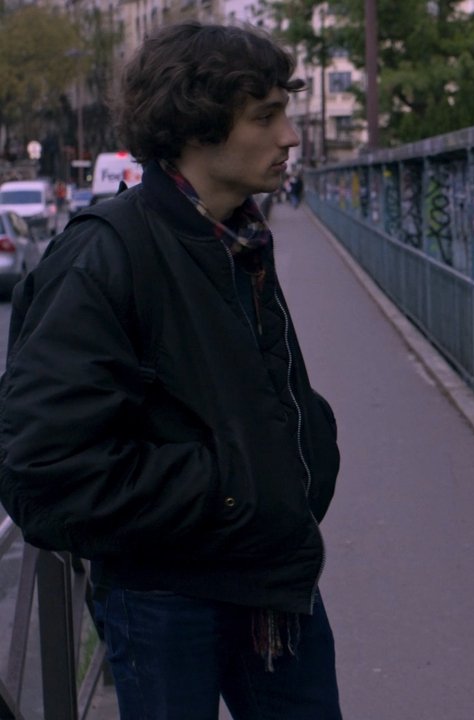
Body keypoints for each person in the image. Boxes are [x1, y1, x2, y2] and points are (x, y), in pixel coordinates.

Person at [0, 21, 342, 720]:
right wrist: (228, 493)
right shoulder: (106, 254)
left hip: (273, 579)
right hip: (167, 599)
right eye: (265, 115)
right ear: (197, 125)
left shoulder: (235, 236)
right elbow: (43, 465)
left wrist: (306, 453)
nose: (290, 137)